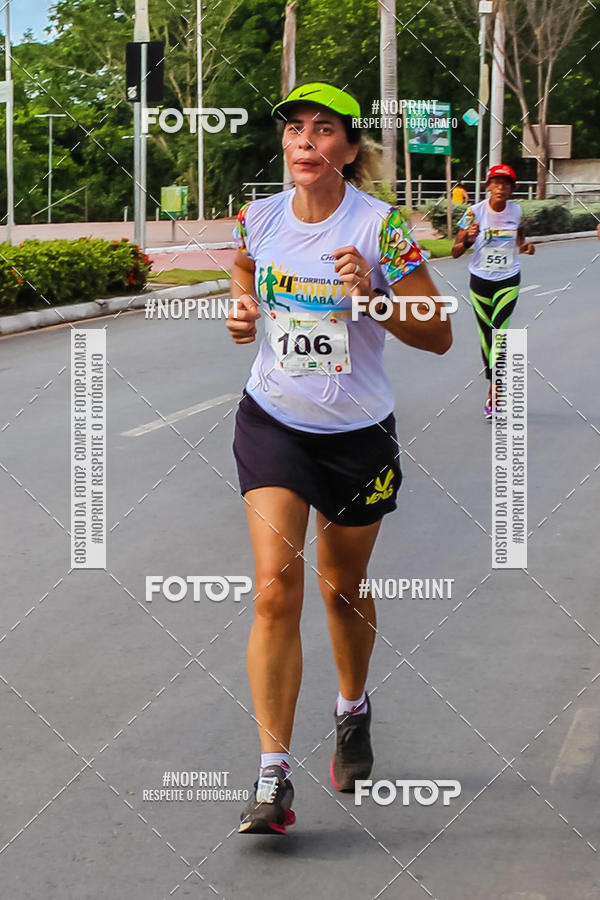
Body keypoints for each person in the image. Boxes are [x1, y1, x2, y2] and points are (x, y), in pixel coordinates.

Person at [226, 81, 452, 835]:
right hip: (275, 420)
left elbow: (437, 332)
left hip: (358, 434)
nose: (305, 142)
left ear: (351, 151)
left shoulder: (383, 229)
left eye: (324, 131)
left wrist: (374, 298)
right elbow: (243, 269)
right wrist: (243, 308)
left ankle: (351, 709)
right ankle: (272, 776)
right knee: (272, 589)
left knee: (340, 586)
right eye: (295, 130)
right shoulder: (259, 216)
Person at [452, 164, 535, 417]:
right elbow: (455, 250)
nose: (500, 188)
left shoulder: (516, 211)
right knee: (486, 337)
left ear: (512, 189)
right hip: (479, 281)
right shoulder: (473, 212)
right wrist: (468, 238)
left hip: (508, 279)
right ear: (488, 186)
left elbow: (519, 238)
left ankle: (496, 392)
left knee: (500, 334)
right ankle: (492, 384)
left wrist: (524, 245)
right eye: (496, 183)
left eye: (505, 184)